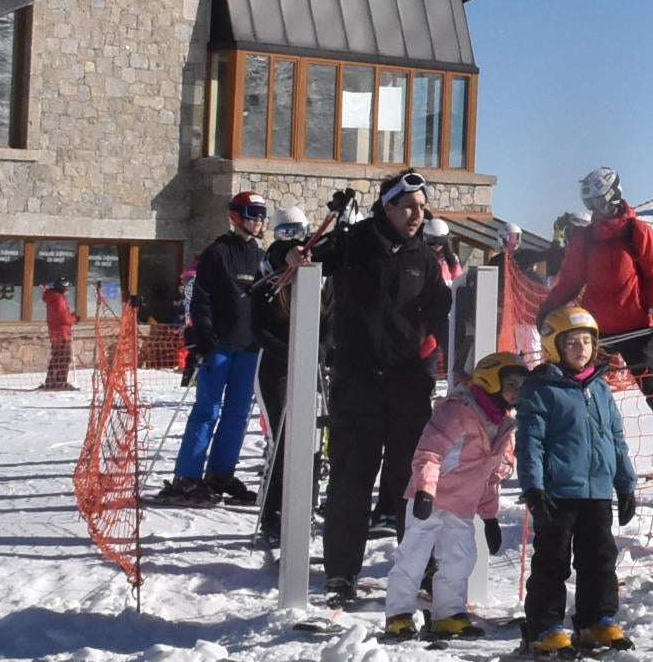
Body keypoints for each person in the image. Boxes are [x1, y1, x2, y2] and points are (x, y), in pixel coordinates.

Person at [314, 171, 454, 608]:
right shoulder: (353, 243)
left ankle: (419, 570)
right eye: (408, 206)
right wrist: (290, 253)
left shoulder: (424, 258)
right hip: (356, 384)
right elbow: (298, 256)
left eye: (421, 207)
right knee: (351, 483)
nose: (417, 215)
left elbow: (443, 314)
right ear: (388, 206)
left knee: (412, 485)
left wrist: (467, 372)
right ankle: (341, 574)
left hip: (408, 385)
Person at [517, 304, 637, 654]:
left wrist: (625, 484)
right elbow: (530, 442)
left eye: (587, 341)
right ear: (555, 346)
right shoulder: (541, 388)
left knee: (600, 558)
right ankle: (546, 625)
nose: (581, 349)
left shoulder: (600, 388)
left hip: (597, 491)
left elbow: (616, 439)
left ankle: (595, 621)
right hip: (557, 492)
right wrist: (534, 487)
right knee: (552, 559)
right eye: (572, 343)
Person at [387, 358, 523, 639]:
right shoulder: (458, 411)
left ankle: (448, 614)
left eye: (521, 385)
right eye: (510, 384)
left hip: (461, 505)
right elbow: (430, 452)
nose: (516, 391)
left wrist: (489, 518)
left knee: (460, 559)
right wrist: (425, 489)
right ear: (490, 381)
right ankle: (398, 614)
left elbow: (487, 477)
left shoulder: (502, 425)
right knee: (413, 555)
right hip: (431, 498)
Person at [542, 169, 653, 446]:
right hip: (597, 330)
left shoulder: (637, 231)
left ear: (614, 196)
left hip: (637, 326)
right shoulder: (585, 238)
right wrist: (549, 306)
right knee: (581, 386)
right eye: (590, 206)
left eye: (599, 203)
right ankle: (577, 445)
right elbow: (571, 279)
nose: (596, 211)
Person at [163, 193, 272, 506]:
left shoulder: (259, 255)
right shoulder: (218, 252)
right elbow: (202, 297)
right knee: (207, 409)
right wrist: (204, 332)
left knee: (238, 414)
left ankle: (221, 473)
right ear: (235, 216)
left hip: (248, 346)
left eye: (262, 214)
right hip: (220, 344)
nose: (257, 220)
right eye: (252, 213)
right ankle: (187, 476)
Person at [254, 209, 311, 544]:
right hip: (276, 367)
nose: (293, 239)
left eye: (298, 231)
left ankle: (303, 505)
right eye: (285, 232)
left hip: (311, 365)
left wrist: (323, 349)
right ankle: (272, 512)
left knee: (311, 441)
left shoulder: (314, 272)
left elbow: (329, 320)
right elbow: (259, 330)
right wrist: (291, 351)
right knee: (284, 438)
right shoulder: (269, 274)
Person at [37, 278, 77, 391]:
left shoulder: (52, 297)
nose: (68, 291)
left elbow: (60, 314)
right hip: (62, 332)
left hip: (55, 331)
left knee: (57, 357)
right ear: (63, 288)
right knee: (63, 358)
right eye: (67, 288)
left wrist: (70, 316)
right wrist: (74, 318)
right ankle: (60, 382)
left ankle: (52, 382)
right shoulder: (58, 299)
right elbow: (63, 317)